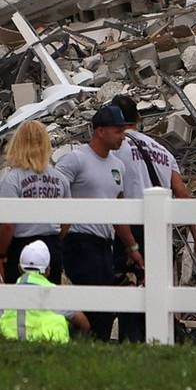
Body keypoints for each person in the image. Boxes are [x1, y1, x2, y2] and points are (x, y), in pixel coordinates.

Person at [109, 95, 196, 343]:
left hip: (131, 229)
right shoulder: (162, 150)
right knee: (158, 292)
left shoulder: (117, 147)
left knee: (129, 288)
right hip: (161, 232)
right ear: (138, 118)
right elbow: (182, 194)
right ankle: (161, 341)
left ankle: (132, 342)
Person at [54, 104, 139, 341]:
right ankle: (85, 346)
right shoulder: (76, 159)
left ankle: (96, 347)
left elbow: (118, 211)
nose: (123, 136)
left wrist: (132, 247)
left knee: (105, 306)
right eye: (118, 131)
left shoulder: (118, 166)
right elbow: (55, 190)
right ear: (100, 131)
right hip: (79, 242)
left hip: (105, 245)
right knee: (89, 304)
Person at [0, 120, 69, 283]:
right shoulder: (60, 179)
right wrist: (57, 240)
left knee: (19, 295)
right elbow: (67, 220)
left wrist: (2, 254)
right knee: (50, 294)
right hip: (51, 246)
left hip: (21, 247)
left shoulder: (12, 179)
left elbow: (7, 225)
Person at [0, 239, 90, 342]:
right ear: (48, 270)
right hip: (53, 349)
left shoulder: (7, 296)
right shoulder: (57, 295)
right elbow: (84, 324)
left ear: (19, 268)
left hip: (13, 350)